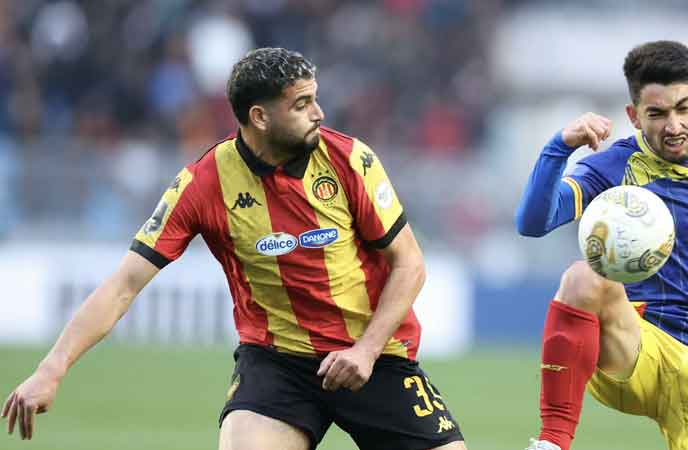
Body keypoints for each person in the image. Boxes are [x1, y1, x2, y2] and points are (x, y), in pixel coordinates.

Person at [2, 47, 467, 450]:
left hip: (374, 357)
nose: (319, 113)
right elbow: (124, 284)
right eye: (302, 104)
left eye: (315, 98)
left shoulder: (349, 159)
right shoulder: (203, 183)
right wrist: (51, 369)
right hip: (278, 364)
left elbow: (410, 264)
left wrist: (365, 351)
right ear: (259, 117)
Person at [515, 40, 688, 450]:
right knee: (583, 278)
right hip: (635, 342)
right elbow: (532, 223)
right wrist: (559, 147)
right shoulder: (614, 166)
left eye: (683, 108)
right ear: (633, 116)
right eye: (657, 114)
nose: (673, 126)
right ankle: (552, 442)